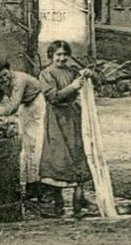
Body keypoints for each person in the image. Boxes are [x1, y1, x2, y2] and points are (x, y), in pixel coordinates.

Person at [37, 41, 95, 218]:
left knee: (77, 153)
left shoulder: (72, 72)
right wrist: (73, 87)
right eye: (58, 55)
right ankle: (58, 204)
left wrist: (88, 75)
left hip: (73, 118)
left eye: (64, 55)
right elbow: (53, 96)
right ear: (51, 56)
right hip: (56, 119)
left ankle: (78, 204)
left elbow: (93, 84)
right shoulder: (46, 74)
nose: (61, 58)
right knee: (58, 156)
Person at [0, 58, 46, 199]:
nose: (3, 79)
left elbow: (13, 105)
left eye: (4, 74)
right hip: (26, 107)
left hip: (37, 104)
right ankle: (29, 185)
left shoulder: (19, 79)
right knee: (25, 146)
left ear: (9, 70)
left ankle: (40, 187)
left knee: (35, 144)